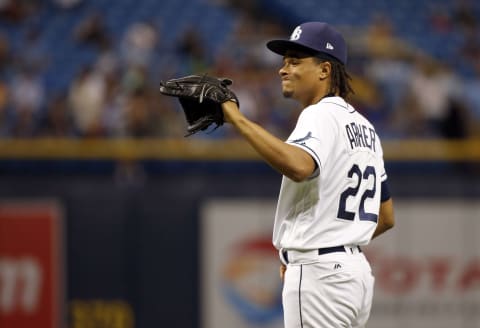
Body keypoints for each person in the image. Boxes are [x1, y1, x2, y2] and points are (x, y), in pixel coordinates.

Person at [221, 22, 395, 328]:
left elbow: (300, 166)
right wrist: (336, 242)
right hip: (355, 275)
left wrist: (236, 119)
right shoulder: (367, 129)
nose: (283, 69)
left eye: (295, 61)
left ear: (325, 70)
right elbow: (386, 217)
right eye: (284, 61)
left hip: (321, 274)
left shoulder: (319, 114)